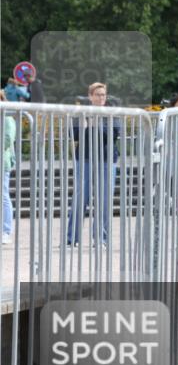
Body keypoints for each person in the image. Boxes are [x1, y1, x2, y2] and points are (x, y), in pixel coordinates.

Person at [66, 83, 120, 245]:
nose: (101, 97)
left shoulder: (112, 114)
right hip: (85, 159)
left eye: (103, 94)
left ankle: (101, 239)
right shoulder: (81, 113)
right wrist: (84, 125)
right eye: (97, 94)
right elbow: (73, 135)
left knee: (104, 200)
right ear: (90, 96)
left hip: (107, 160)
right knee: (80, 199)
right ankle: (72, 238)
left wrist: (94, 123)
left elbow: (111, 136)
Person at [1, 90, 14, 244]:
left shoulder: (7, 117)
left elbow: (7, 139)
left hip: (2, 161)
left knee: (3, 196)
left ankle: (6, 230)